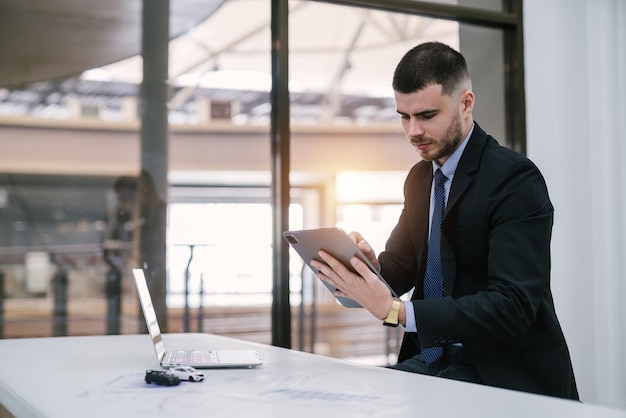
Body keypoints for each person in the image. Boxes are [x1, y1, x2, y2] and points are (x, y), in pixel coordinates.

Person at [311, 41, 579, 400]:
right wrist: (368, 270)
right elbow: (403, 266)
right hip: (432, 361)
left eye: (426, 115)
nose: (413, 131)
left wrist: (397, 312)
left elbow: (513, 305)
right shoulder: (420, 179)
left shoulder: (514, 179)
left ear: (465, 103)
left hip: (498, 372)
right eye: (403, 116)